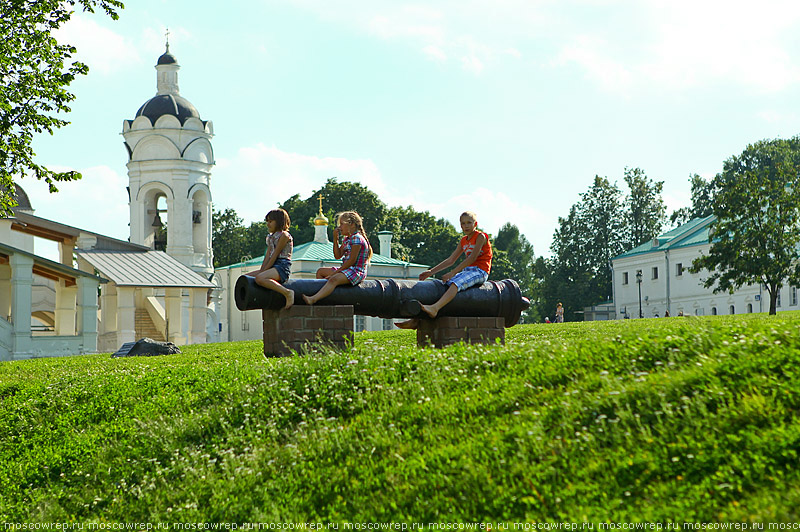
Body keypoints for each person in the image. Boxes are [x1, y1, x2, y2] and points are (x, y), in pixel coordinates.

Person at [397, 211, 492, 329]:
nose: (466, 226)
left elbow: (472, 258)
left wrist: (453, 273)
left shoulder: (480, 237)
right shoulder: (463, 241)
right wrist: (431, 272)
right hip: (468, 270)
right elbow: (451, 260)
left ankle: (435, 308)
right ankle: (417, 318)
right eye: (463, 223)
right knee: (442, 285)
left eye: (469, 223)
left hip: (480, 271)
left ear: (475, 224)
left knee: (455, 283)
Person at [302, 211, 372, 305]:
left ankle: (314, 299)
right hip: (347, 269)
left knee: (333, 279)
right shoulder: (347, 239)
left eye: (342, 224)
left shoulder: (357, 238)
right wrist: (335, 239)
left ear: (351, 224)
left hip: (356, 271)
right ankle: (323, 297)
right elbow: (337, 255)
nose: (339, 227)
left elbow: (352, 261)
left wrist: (335, 273)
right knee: (320, 272)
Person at [246, 208, 294, 309]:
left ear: (279, 221)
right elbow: (267, 256)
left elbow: (275, 254)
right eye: (267, 221)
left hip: (282, 266)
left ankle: (287, 293)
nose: (268, 224)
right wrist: (262, 269)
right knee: (246, 278)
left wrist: (263, 272)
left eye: (271, 221)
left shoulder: (284, 236)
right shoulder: (270, 237)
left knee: (260, 278)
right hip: (272, 265)